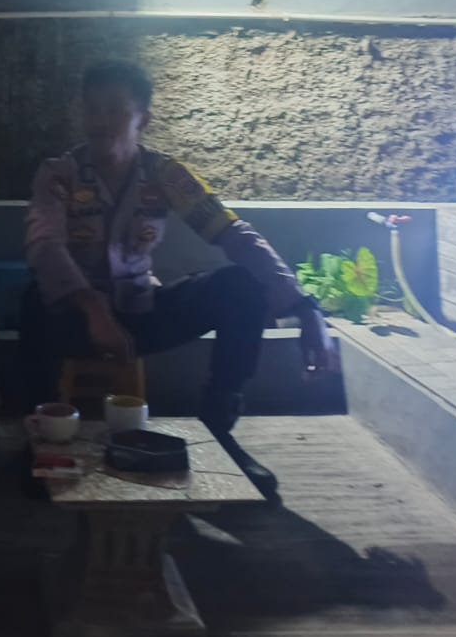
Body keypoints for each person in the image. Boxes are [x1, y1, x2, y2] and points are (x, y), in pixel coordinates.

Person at [22, 60, 336, 503]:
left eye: (114, 110)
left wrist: (305, 307)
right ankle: (41, 442)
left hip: (141, 313)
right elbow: (45, 244)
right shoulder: (59, 175)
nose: (100, 121)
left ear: (143, 119)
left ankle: (218, 431)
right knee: (33, 300)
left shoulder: (167, 176)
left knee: (239, 287)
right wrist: (93, 308)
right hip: (75, 318)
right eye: (92, 109)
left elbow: (233, 234)